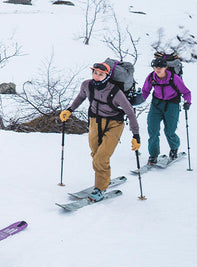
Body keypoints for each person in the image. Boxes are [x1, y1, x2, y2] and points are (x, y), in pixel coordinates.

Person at [58, 62, 141, 201]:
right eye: (95, 73)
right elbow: (80, 97)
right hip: (95, 122)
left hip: (114, 124)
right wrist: (70, 110)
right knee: (96, 154)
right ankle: (104, 178)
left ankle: (100, 188)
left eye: (101, 74)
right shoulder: (86, 85)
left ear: (107, 76)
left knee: (101, 158)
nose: (96, 76)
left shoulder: (116, 92)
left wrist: (136, 136)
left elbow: (130, 112)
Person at [140, 57, 192, 164]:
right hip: (156, 105)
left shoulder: (174, 78)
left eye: (160, 67)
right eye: (155, 67)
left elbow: (186, 92)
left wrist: (187, 102)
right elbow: (145, 91)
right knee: (153, 130)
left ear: (166, 67)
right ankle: (153, 155)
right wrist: (139, 102)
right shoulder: (151, 77)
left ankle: (174, 148)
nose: (158, 69)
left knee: (170, 131)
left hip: (172, 105)